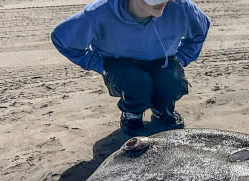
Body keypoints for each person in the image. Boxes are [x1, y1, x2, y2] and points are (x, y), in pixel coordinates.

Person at [51, 0, 210, 135]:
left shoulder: (181, 7)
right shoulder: (99, 13)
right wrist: (100, 65)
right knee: (136, 82)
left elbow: (201, 29)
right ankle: (132, 114)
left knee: (172, 81)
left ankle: (163, 110)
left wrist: (181, 59)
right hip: (120, 65)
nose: (161, 2)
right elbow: (62, 39)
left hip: (162, 61)